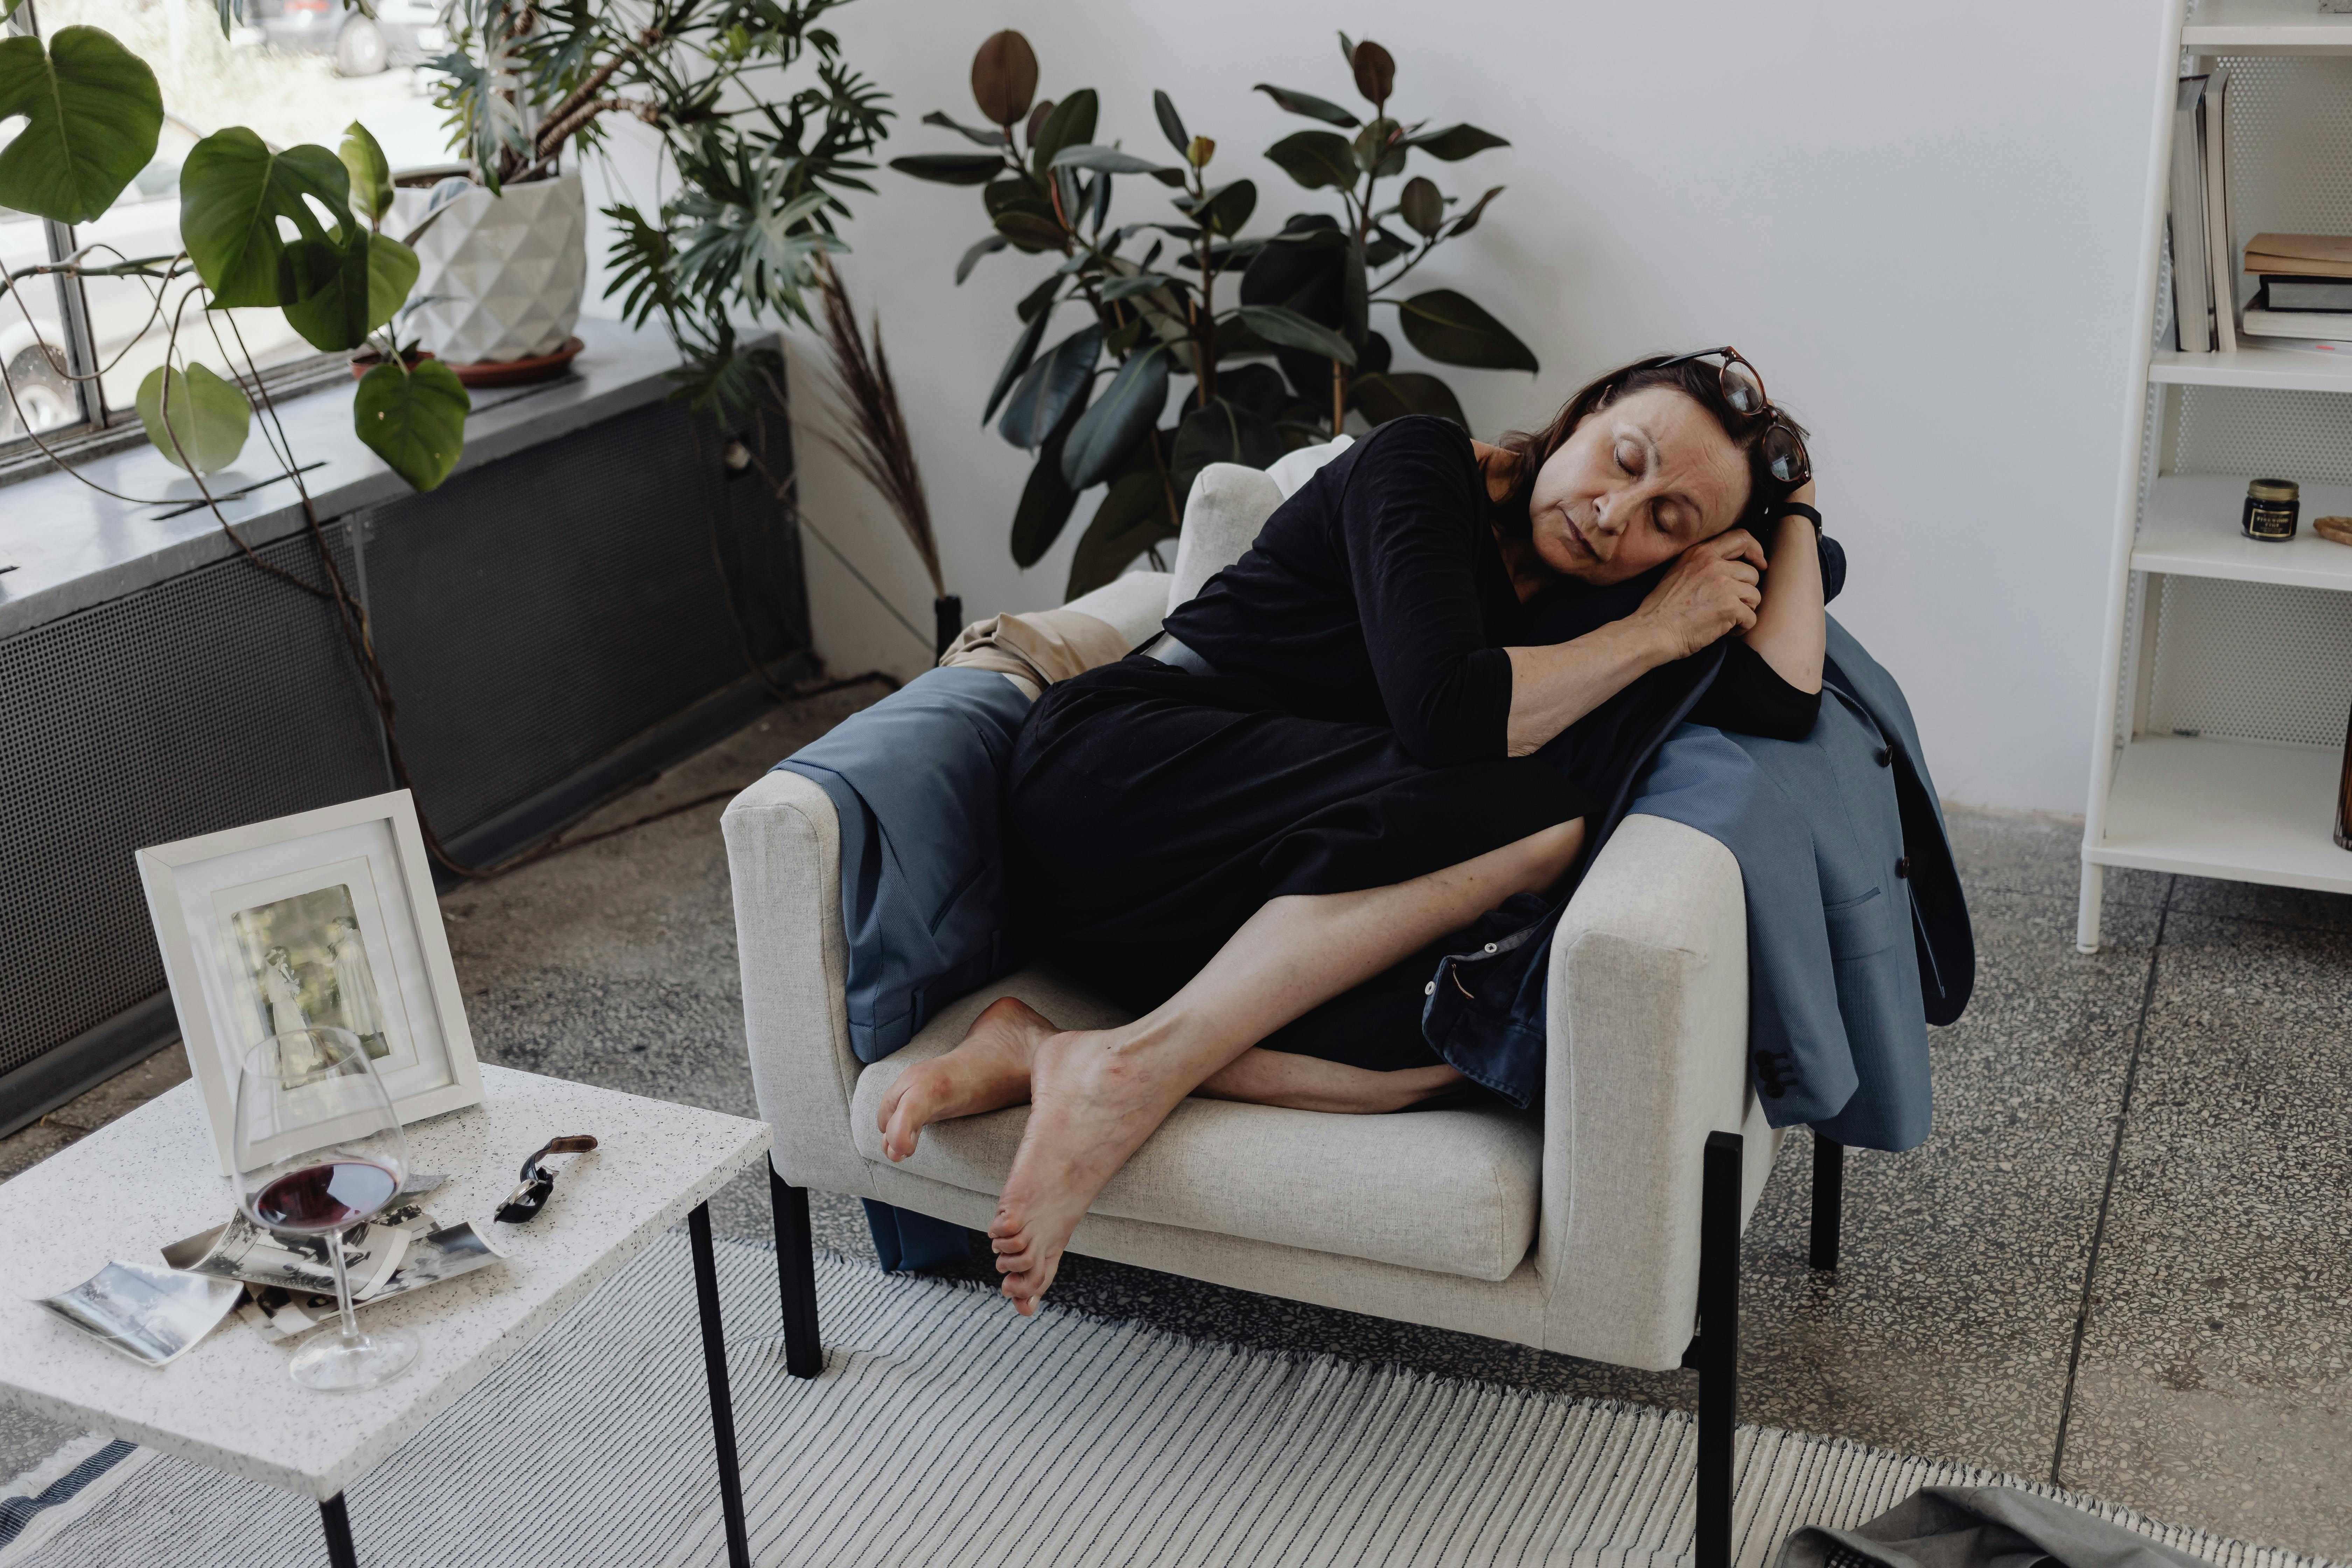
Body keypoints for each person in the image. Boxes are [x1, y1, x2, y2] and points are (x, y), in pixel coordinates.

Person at [882, 349, 1827, 1315]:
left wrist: (1792, 510)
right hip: (1116, 786)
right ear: (1583, 415)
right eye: (1624, 460)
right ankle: (1123, 1071)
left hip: (1238, 906)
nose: (1617, 515)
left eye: (1670, 522)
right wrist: (1659, 631)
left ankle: (1062, 1055)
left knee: (1462, 1037)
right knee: (1544, 820)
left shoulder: (1594, 601)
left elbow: (1782, 699)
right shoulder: (1418, 466)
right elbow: (1444, 713)